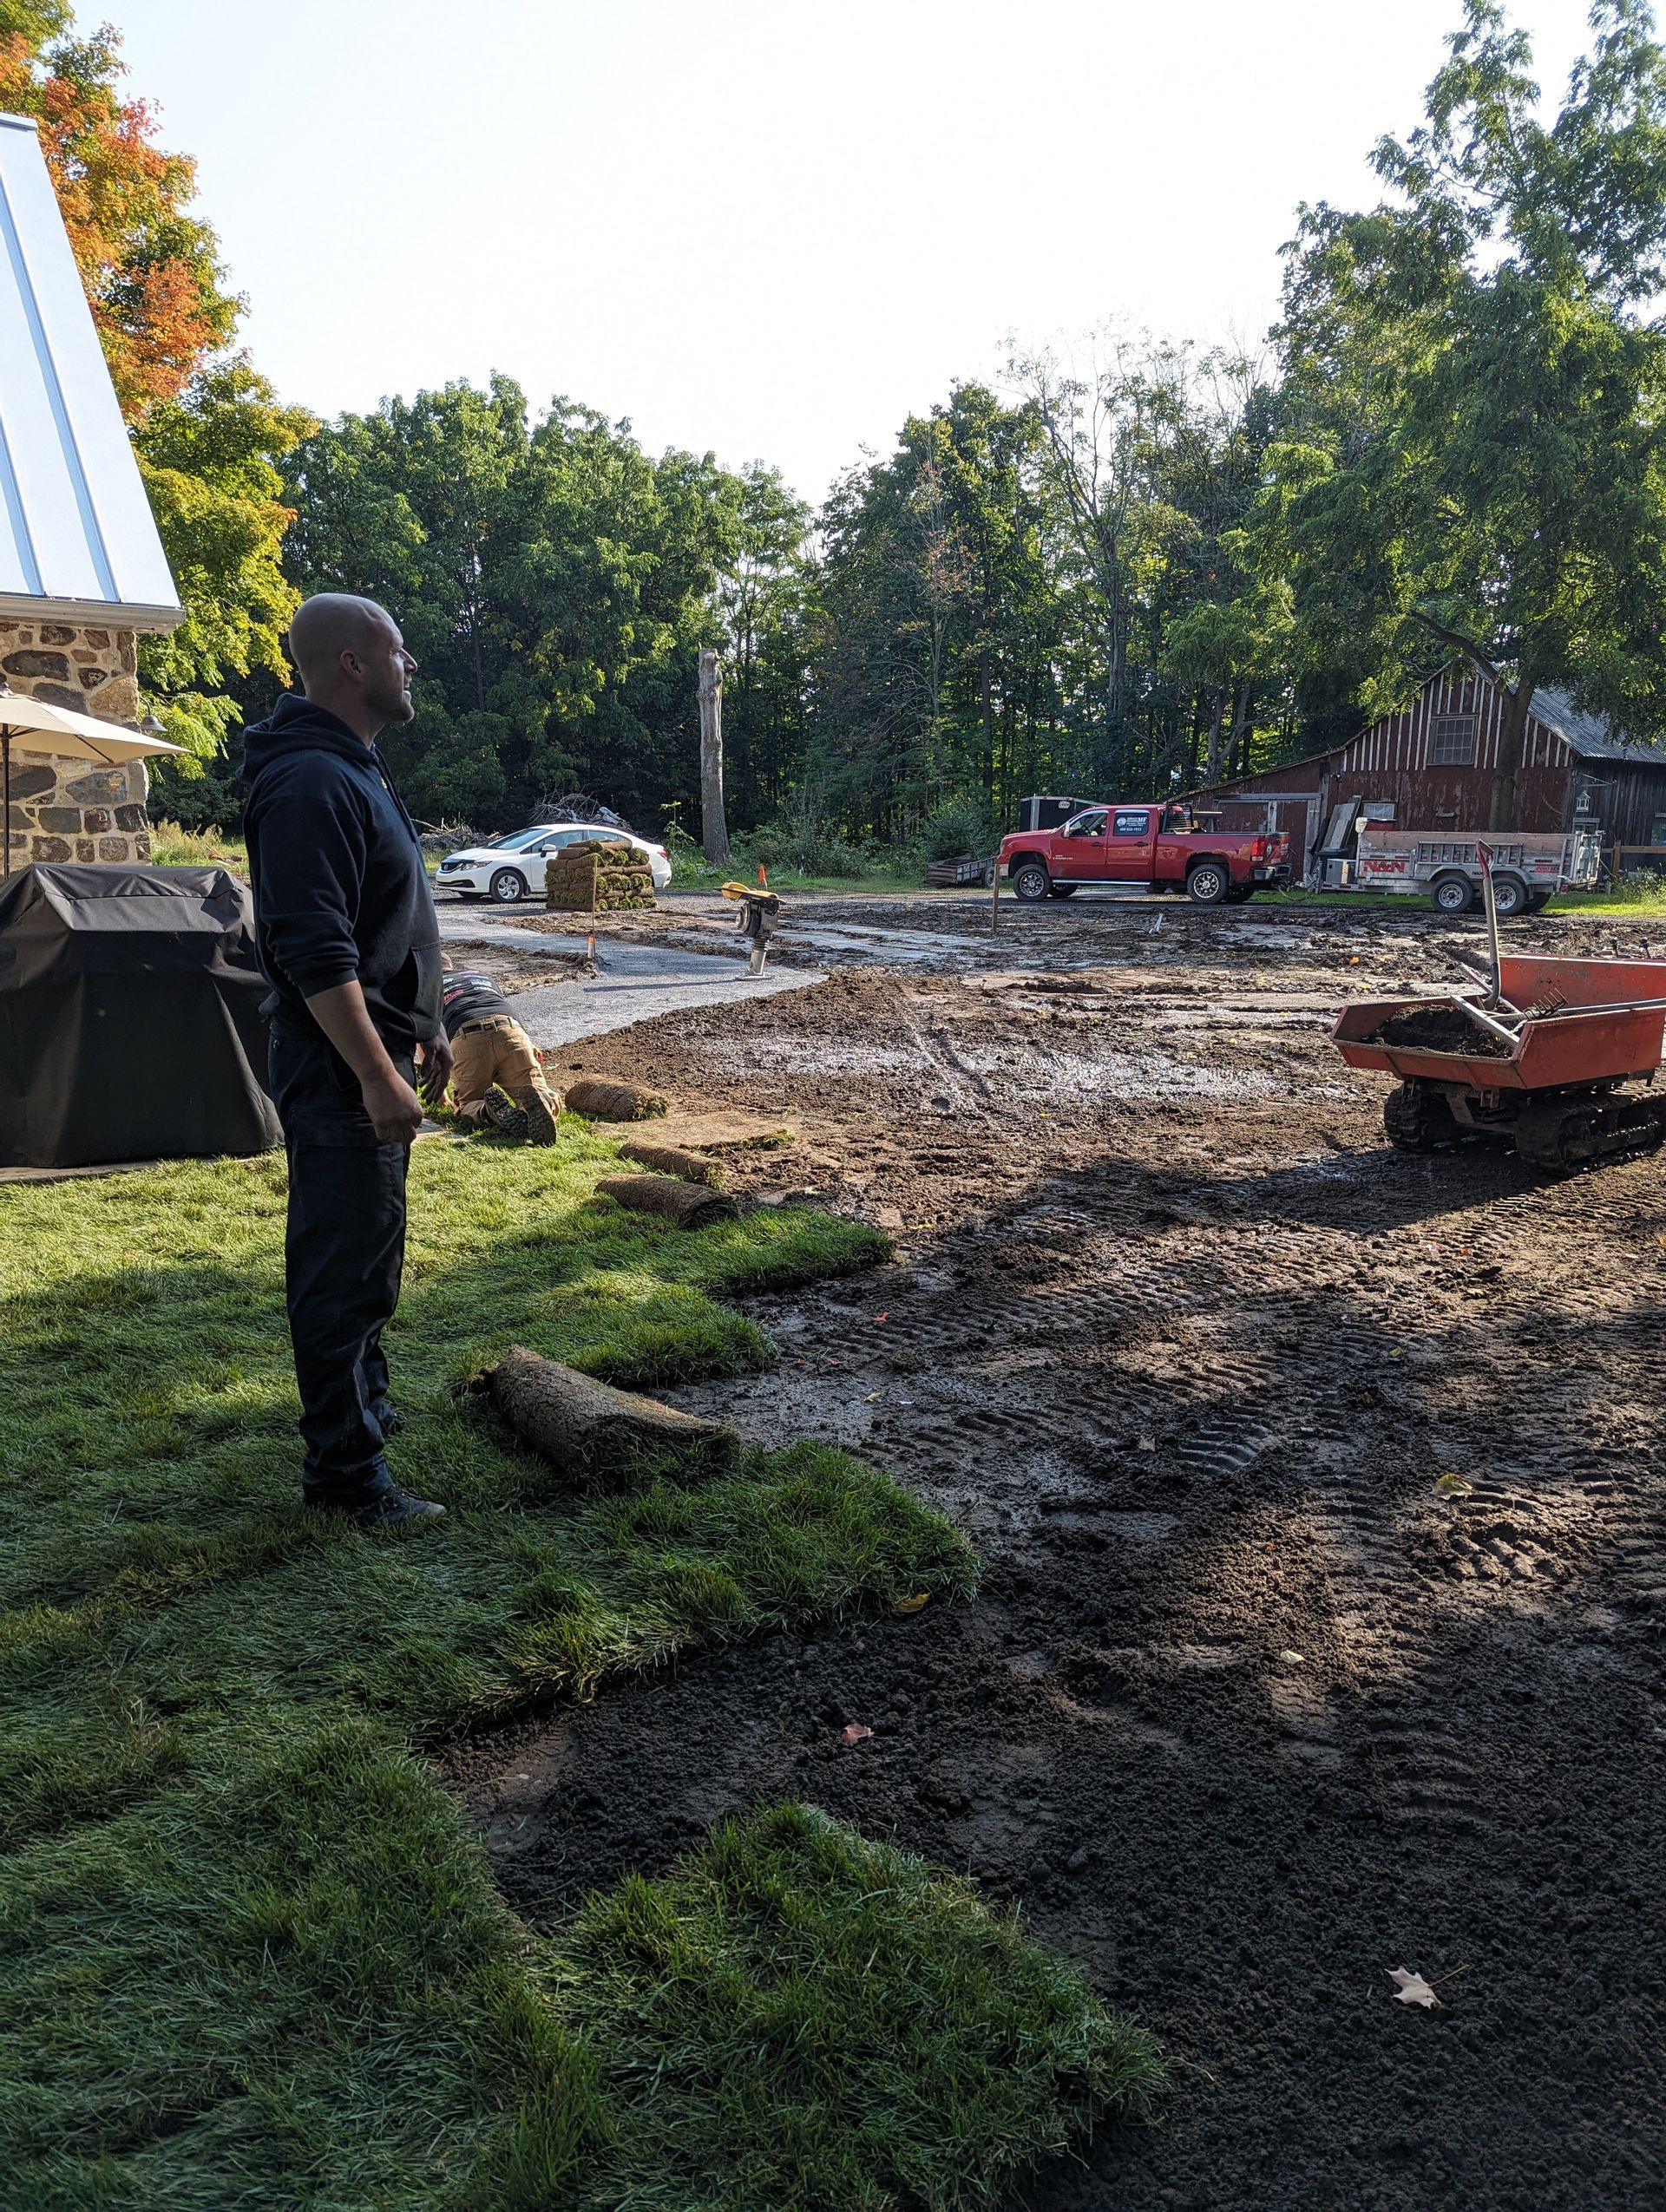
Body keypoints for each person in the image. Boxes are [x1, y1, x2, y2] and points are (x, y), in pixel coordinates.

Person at [241, 593, 449, 1529]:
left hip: (374, 1053)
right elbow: (313, 949)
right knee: (340, 1269)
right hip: (337, 1069)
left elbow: (390, 915)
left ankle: (366, 1408)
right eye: (399, 651)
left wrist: (430, 1022)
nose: (411, 667)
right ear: (354, 664)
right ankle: (345, 1481)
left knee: (371, 1250)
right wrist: (374, 1073)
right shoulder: (311, 784)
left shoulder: (351, 769)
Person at [439, 954, 561, 1141]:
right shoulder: (480, 976)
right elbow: (497, 1006)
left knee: (469, 1104)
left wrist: (442, 1099)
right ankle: (543, 1104)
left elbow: (428, 1043)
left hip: (467, 1038)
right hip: (511, 1033)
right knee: (535, 1089)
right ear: (451, 965)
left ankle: (490, 1112)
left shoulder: (427, 986)